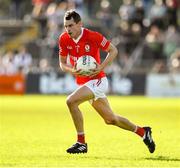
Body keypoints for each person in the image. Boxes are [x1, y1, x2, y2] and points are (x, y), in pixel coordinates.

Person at [59, 10, 155, 154]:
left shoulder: (93, 36)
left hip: (98, 81)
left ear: (80, 24)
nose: (68, 29)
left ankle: (81, 142)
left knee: (71, 101)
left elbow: (113, 50)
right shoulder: (64, 38)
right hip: (83, 83)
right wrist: (70, 70)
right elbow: (62, 63)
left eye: (71, 25)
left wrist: (101, 68)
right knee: (111, 119)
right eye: (66, 26)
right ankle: (143, 132)